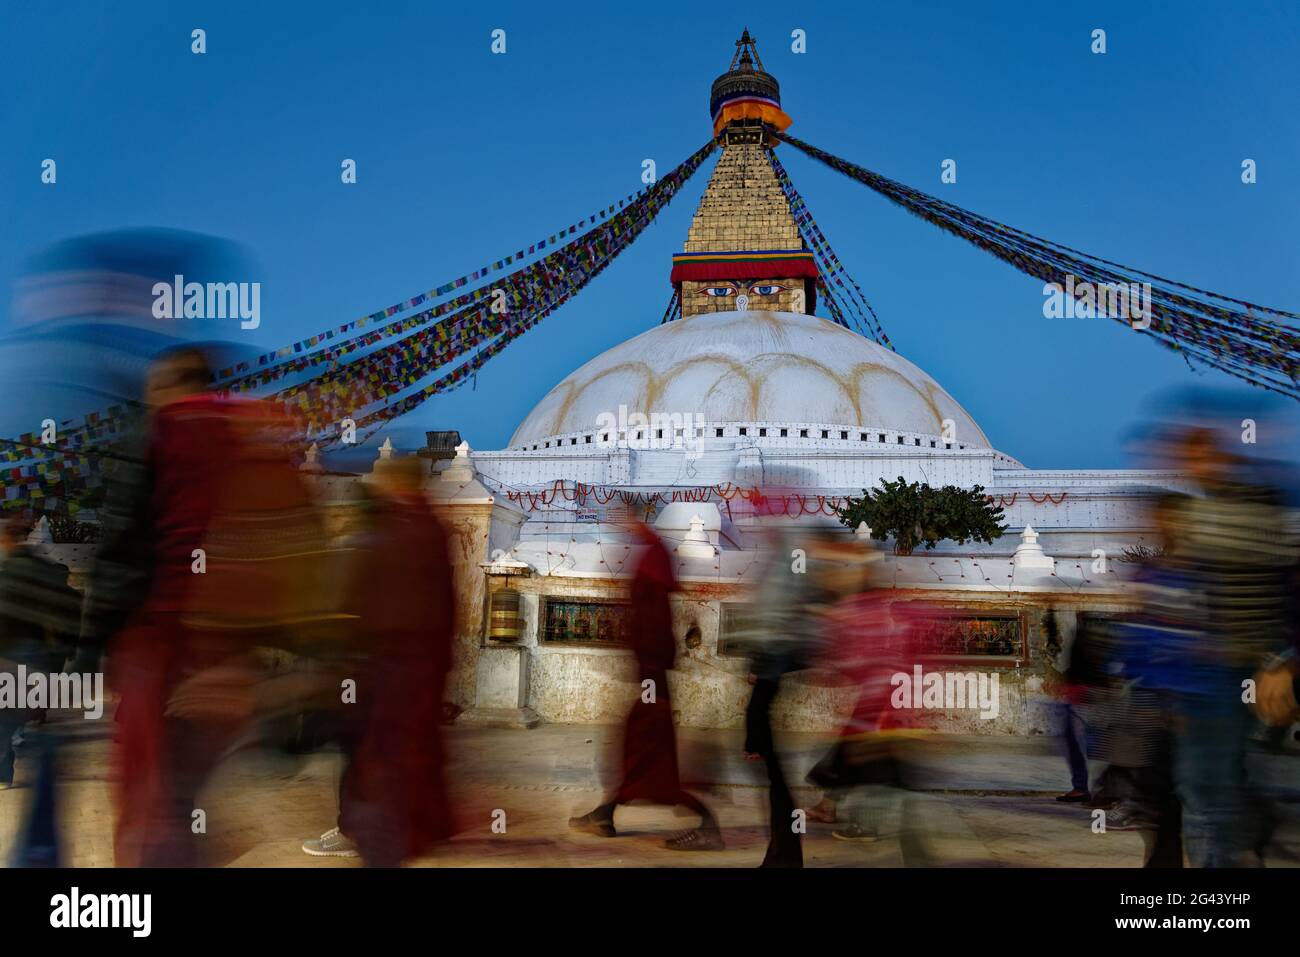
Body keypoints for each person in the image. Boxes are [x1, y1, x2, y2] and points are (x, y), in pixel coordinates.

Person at [304, 455, 458, 866]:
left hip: (383, 666)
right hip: (422, 667)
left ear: (393, 483)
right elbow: (448, 605)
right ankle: (420, 827)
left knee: (371, 757)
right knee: (410, 753)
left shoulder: (388, 531)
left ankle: (358, 830)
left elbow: (361, 598)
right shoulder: (434, 531)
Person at [569, 521, 723, 851]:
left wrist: (649, 685)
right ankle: (605, 814)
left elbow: (652, 637)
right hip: (651, 683)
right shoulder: (652, 566)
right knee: (639, 758)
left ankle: (707, 824)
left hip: (652, 683)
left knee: (652, 766)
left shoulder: (652, 583)